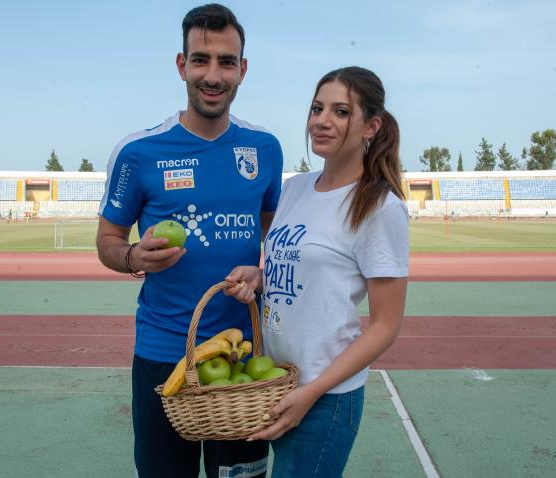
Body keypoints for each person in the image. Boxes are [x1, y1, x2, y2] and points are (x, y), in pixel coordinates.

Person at [95, 4, 283, 478]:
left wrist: (262, 274)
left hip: (243, 358)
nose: (213, 75)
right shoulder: (138, 152)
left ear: (243, 70)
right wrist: (133, 256)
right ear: (182, 66)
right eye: (201, 60)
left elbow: (274, 239)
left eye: (226, 62)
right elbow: (108, 240)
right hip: (164, 355)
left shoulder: (264, 148)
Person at [225, 66, 409, 477]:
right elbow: (303, 274)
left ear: (371, 126)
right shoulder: (295, 188)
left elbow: (385, 326)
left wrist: (312, 392)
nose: (322, 120)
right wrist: (259, 277)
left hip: (325, 397)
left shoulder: (380, 207)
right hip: (273, 380)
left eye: (341, 112)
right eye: (316, 108)